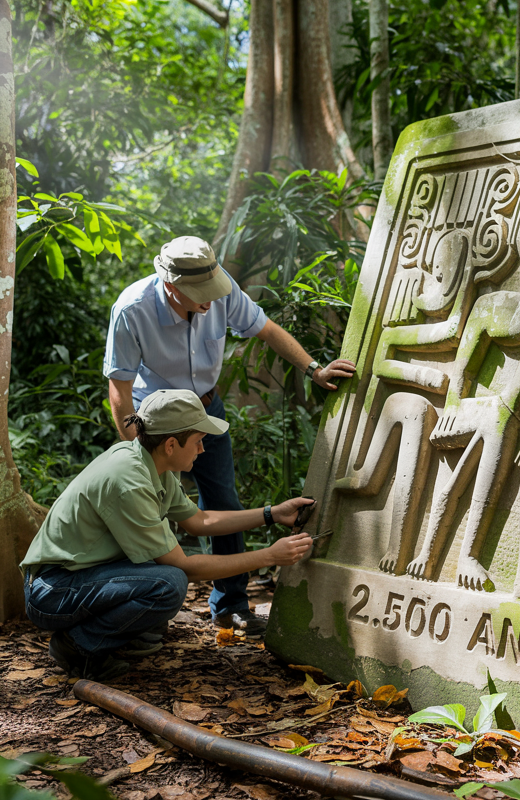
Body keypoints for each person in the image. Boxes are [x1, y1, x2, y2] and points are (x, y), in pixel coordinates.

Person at [103, 235, 354, 637]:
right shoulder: (133, 309)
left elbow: (266, 330)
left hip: (206, 410)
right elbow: (120, 387)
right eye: (199, 294)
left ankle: (230, 605)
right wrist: (137, 449)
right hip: (157, 422)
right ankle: (142, 608)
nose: (209, 301)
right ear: (171, 286)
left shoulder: (221, 291)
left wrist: (314, 369)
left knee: (224, 501)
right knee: (150, 508)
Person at [20, 389, 315, 680]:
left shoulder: (154, 464)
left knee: (160, 588)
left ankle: (121, 637)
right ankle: (77, 646)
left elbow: (199, 520)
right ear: (171, 444)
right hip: (53, 591)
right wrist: (270, 556)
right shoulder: (129, 481)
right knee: (169, 583)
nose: (202, 450)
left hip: (80, 577)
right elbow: (185, 567)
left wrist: (272, 514)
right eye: (198, 441)